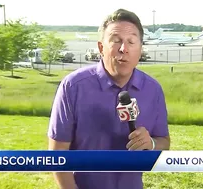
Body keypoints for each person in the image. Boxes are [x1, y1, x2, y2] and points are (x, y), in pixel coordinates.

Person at [47, 8, 170, 189]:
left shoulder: (153, 90)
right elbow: (57, 154)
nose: (124, 49)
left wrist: (150, 143)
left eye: (131, 42)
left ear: (140, 49)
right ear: (101, 47)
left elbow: (164, 143)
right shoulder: (73, 87)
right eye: (116, 41)